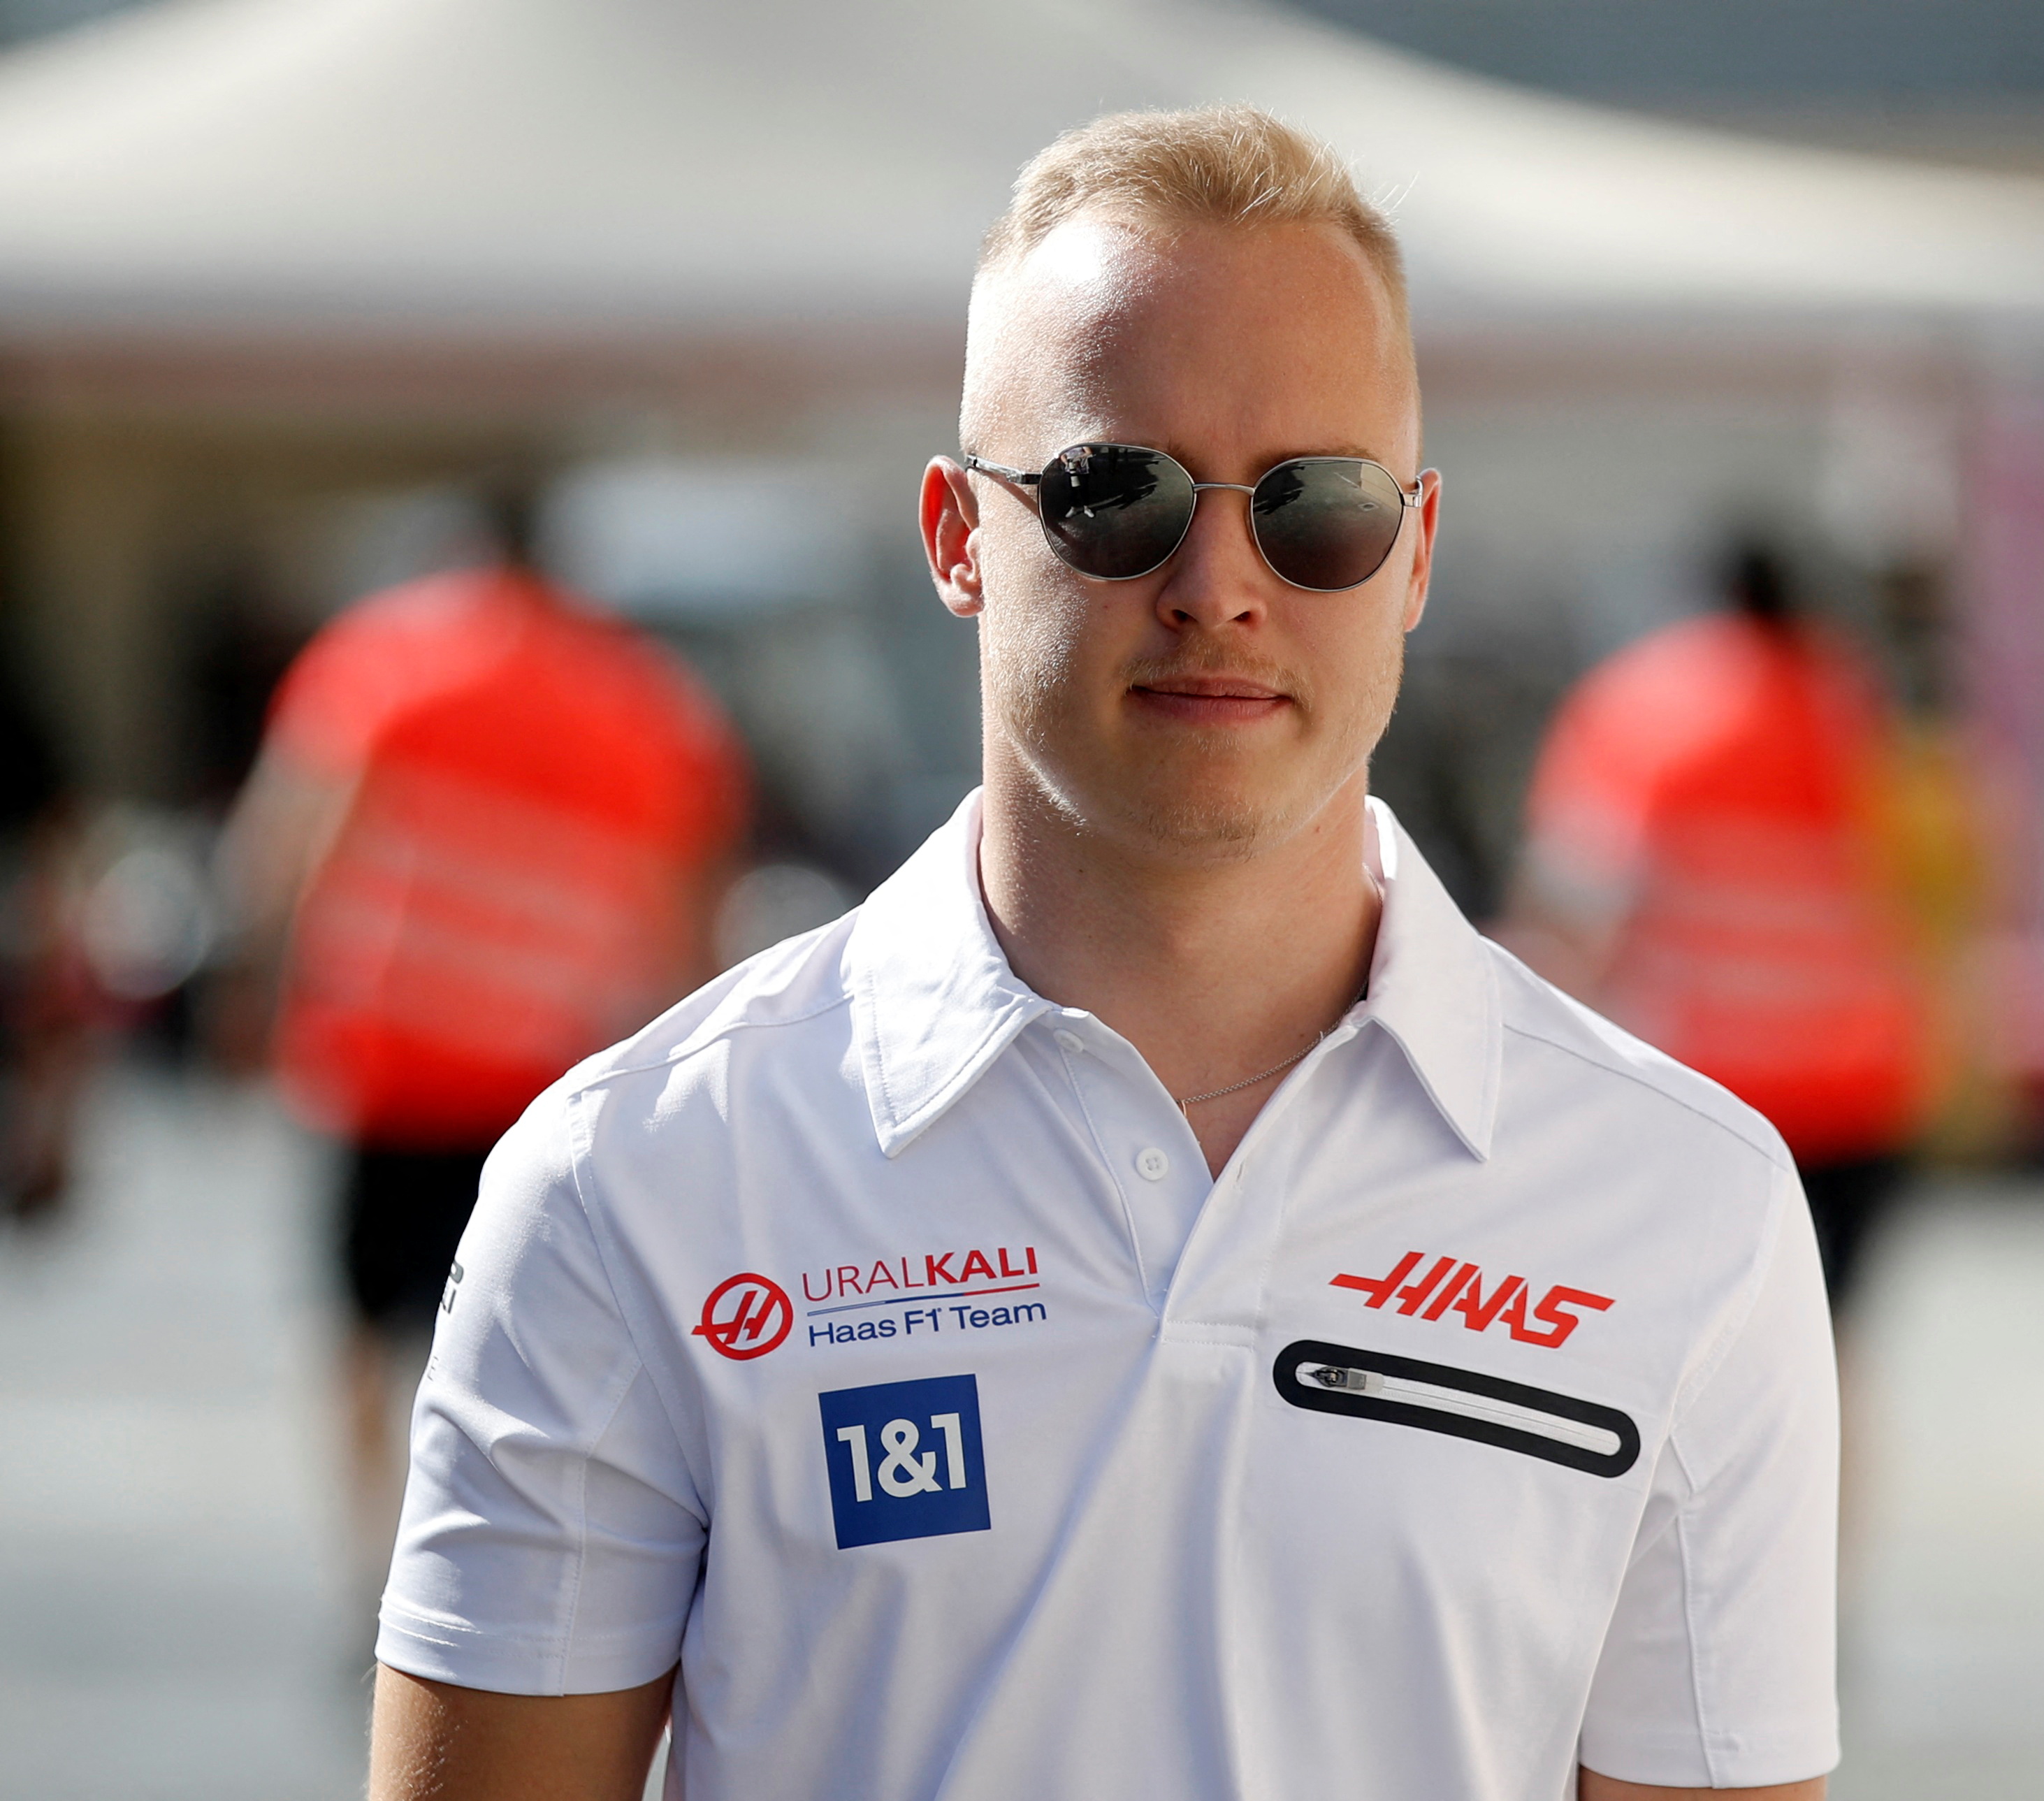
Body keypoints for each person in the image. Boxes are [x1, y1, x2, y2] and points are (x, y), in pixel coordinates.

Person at [370, 109, 1837, 1801]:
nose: (1220, 583)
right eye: (1112, 491)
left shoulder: (1685, 1205)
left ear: (1415, 552)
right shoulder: (631, 1180)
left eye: (1319, 506)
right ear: (956, 537)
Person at [219, 487, 747, 1582]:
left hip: (385, 1062)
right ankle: (496, 1560)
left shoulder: (384, 657)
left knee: (362, 1331)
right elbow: (690, 901)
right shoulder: (635, 691)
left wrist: (246, 992)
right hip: (542, 1080)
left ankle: (376, 1565)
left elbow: (283, 843)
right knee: (532, 1335)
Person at [1508, 541, 1938, 1317]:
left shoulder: (1644, 703)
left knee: (1684, 1344)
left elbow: (1577, 902)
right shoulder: (1859, 705)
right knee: (1824, 1344)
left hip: (1700, 1090)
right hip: (1861, 1087)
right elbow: (1934, 886)